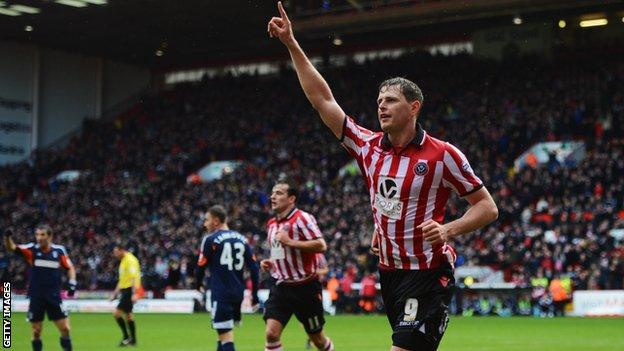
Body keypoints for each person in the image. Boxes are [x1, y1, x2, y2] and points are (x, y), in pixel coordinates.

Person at [267, 3, 499, 350]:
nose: (381, 106)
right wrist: (291, 44)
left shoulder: (442, 155)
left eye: (391, 100)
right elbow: (323, 100)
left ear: (414, 107)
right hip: (390, 274)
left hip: (427, 273)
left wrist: (448, 229)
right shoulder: (367, 146)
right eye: (379, 100)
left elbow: (488, 207)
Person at [260, 179, 334, 351]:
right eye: (272, 193)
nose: (273, 197)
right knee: (271, 333)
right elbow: (279, 251)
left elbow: (321, 245)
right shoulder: (272, 224)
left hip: (305, 288)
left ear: (291, 199)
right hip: (282, 286)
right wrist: (272, 262)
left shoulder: (302, 218)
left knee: (318, 340)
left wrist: (291, 242)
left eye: (278, 193)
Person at [195, 205, 260, 351]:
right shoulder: (242, 239)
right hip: (238, 294)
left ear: (216, 221)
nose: (205, 224)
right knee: (222, 333)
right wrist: (255, 295)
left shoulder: (210, 239)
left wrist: (198, 284)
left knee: (226, 338)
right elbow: (255, 269)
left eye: (207, 220)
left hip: (221, 293)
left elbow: (200, 266)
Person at [3, 225, 76, 351]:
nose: (39, 238)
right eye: (37, 235)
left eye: (42, 235)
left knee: (65, 329)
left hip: (54, 297)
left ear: (50, 236)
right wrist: (7, 237)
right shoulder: (31, 250)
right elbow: (12, 248)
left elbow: (70, 267)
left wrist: (72, 282)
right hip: (37, 297)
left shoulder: (59, 251)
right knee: (36, 332)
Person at [110, 243, 142, 347]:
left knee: (116, 313)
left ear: (121, 250)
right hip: (125, 290)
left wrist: (134, 293)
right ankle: (133, 340)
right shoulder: (123, 261)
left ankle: (126, 337)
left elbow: (133, 278)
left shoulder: (130, 260)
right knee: (129, 316)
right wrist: (115, 293)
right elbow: (122, 279)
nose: (115, 254)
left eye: (116, 252)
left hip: (129, 291)